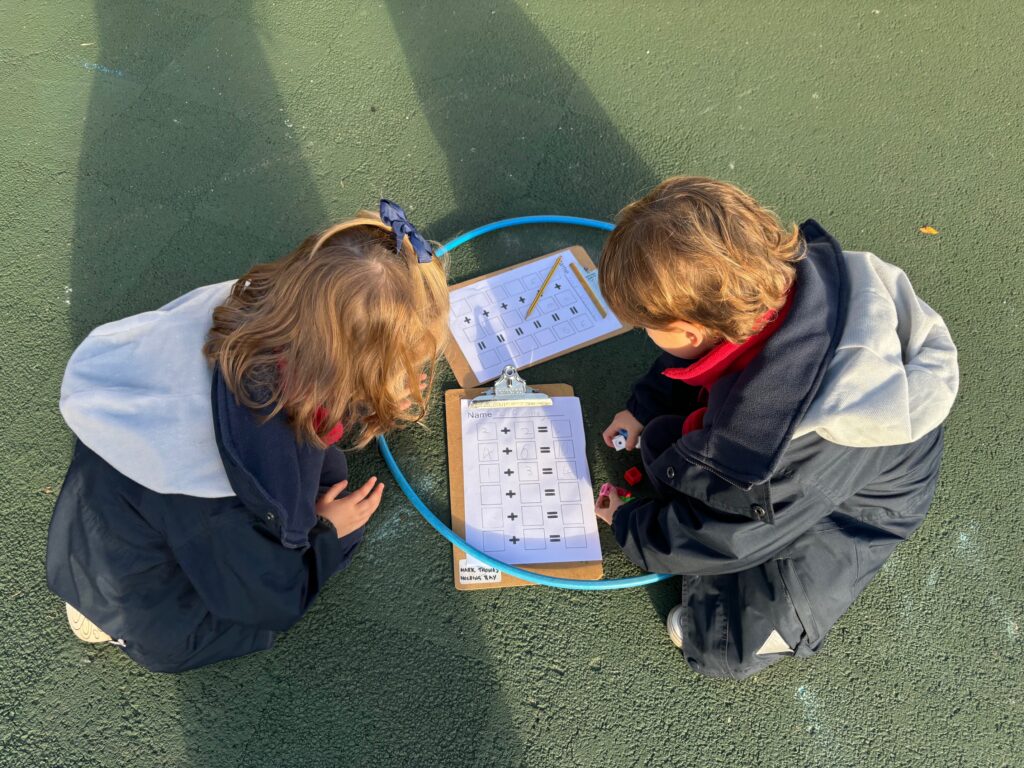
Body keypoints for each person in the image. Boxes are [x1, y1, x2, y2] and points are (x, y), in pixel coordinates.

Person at [47, 201, 449, 672]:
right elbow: (265, 598)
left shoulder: (260, 309)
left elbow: (315, 377)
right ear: (344, 375)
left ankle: (100, 587)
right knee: (243, 614)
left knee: (320, 472)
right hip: (142, 592)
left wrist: (369, 395)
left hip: (123, 505)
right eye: (389, 372)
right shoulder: (225, 494)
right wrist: (325, 533)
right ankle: (108, 617)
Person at [595, 177, 958, 679]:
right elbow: (706, 357)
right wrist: (643, 406)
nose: (648, 336)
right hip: (808, 450)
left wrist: (630, 526)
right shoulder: (775, 277)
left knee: (723, 645)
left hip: (855, 507)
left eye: (649, 328)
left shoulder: (786, 445)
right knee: (661, 444)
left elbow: (728, 539)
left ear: (688, 331)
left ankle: (748, 636)